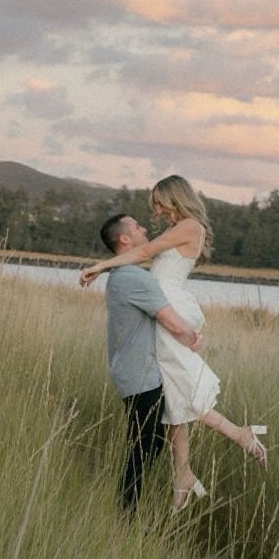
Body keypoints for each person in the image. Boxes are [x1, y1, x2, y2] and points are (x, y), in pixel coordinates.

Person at [82, 176, 267, 509]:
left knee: (183, 388)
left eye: (159, 203)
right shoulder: (181, 227)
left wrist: (100, 265)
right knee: (174, 391)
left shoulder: (189, 226)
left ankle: (241, 435)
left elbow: (145, 250)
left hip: (170, 310)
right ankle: (182, 473)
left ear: (174, 198)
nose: (156, 211)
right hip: (164, 307)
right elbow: (144, 253)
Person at [97, 211, 205, 511]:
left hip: (131, 372)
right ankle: (125, 516)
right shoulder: (134, 278)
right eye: (137, 226)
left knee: (148, 444)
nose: (144, 229)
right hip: (140, 376)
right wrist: (192, 338)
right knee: (144, 448)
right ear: (125, 238)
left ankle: (127, 512)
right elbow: (173, 322)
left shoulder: (122, 275)